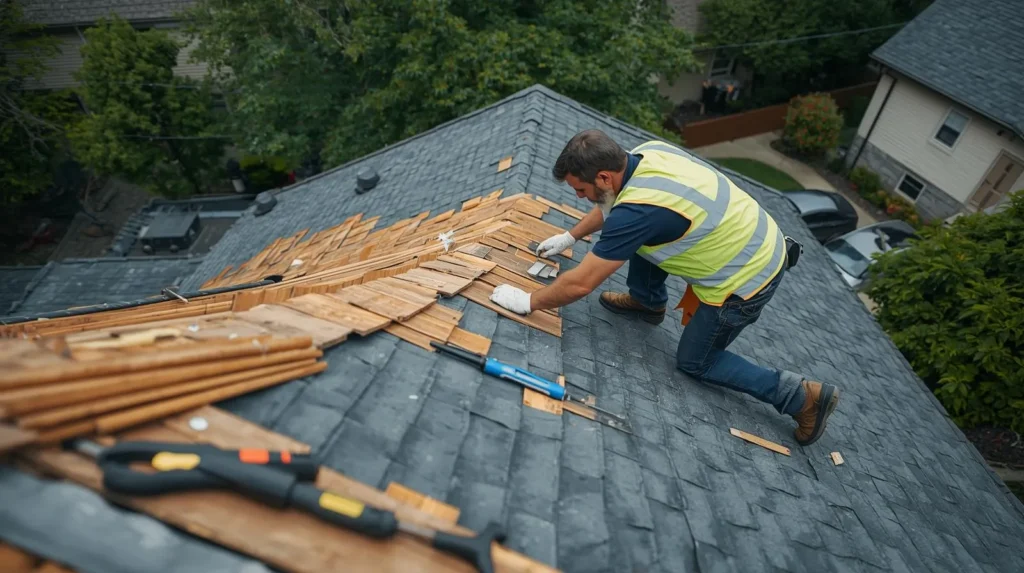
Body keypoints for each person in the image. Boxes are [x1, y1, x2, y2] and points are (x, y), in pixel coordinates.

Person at [488, 130, 839, 446]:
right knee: (636, 237)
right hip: (754, 239)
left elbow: (581, 282)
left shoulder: (637, 212)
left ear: (604, 176)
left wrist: (529, 300)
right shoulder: (647, 154)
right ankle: (647, 301)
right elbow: (614, 207)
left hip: (748, 280)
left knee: (695, 361)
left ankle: (799, 397)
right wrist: (571, 235)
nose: (581, 197)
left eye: (581, 190)